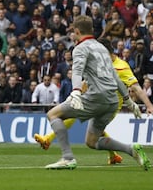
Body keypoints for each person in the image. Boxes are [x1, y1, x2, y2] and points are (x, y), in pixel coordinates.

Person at [39, 15, 150, 170]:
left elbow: (77, 71)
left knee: (53, 114)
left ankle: (67, 158)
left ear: (76, 31)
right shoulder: (102, 48)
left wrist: (76, 91)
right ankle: (131, 149)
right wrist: (129, 101)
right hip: (112, 101)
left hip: (96, 96)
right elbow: (115, 77)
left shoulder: (80, 48)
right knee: (92, 141)